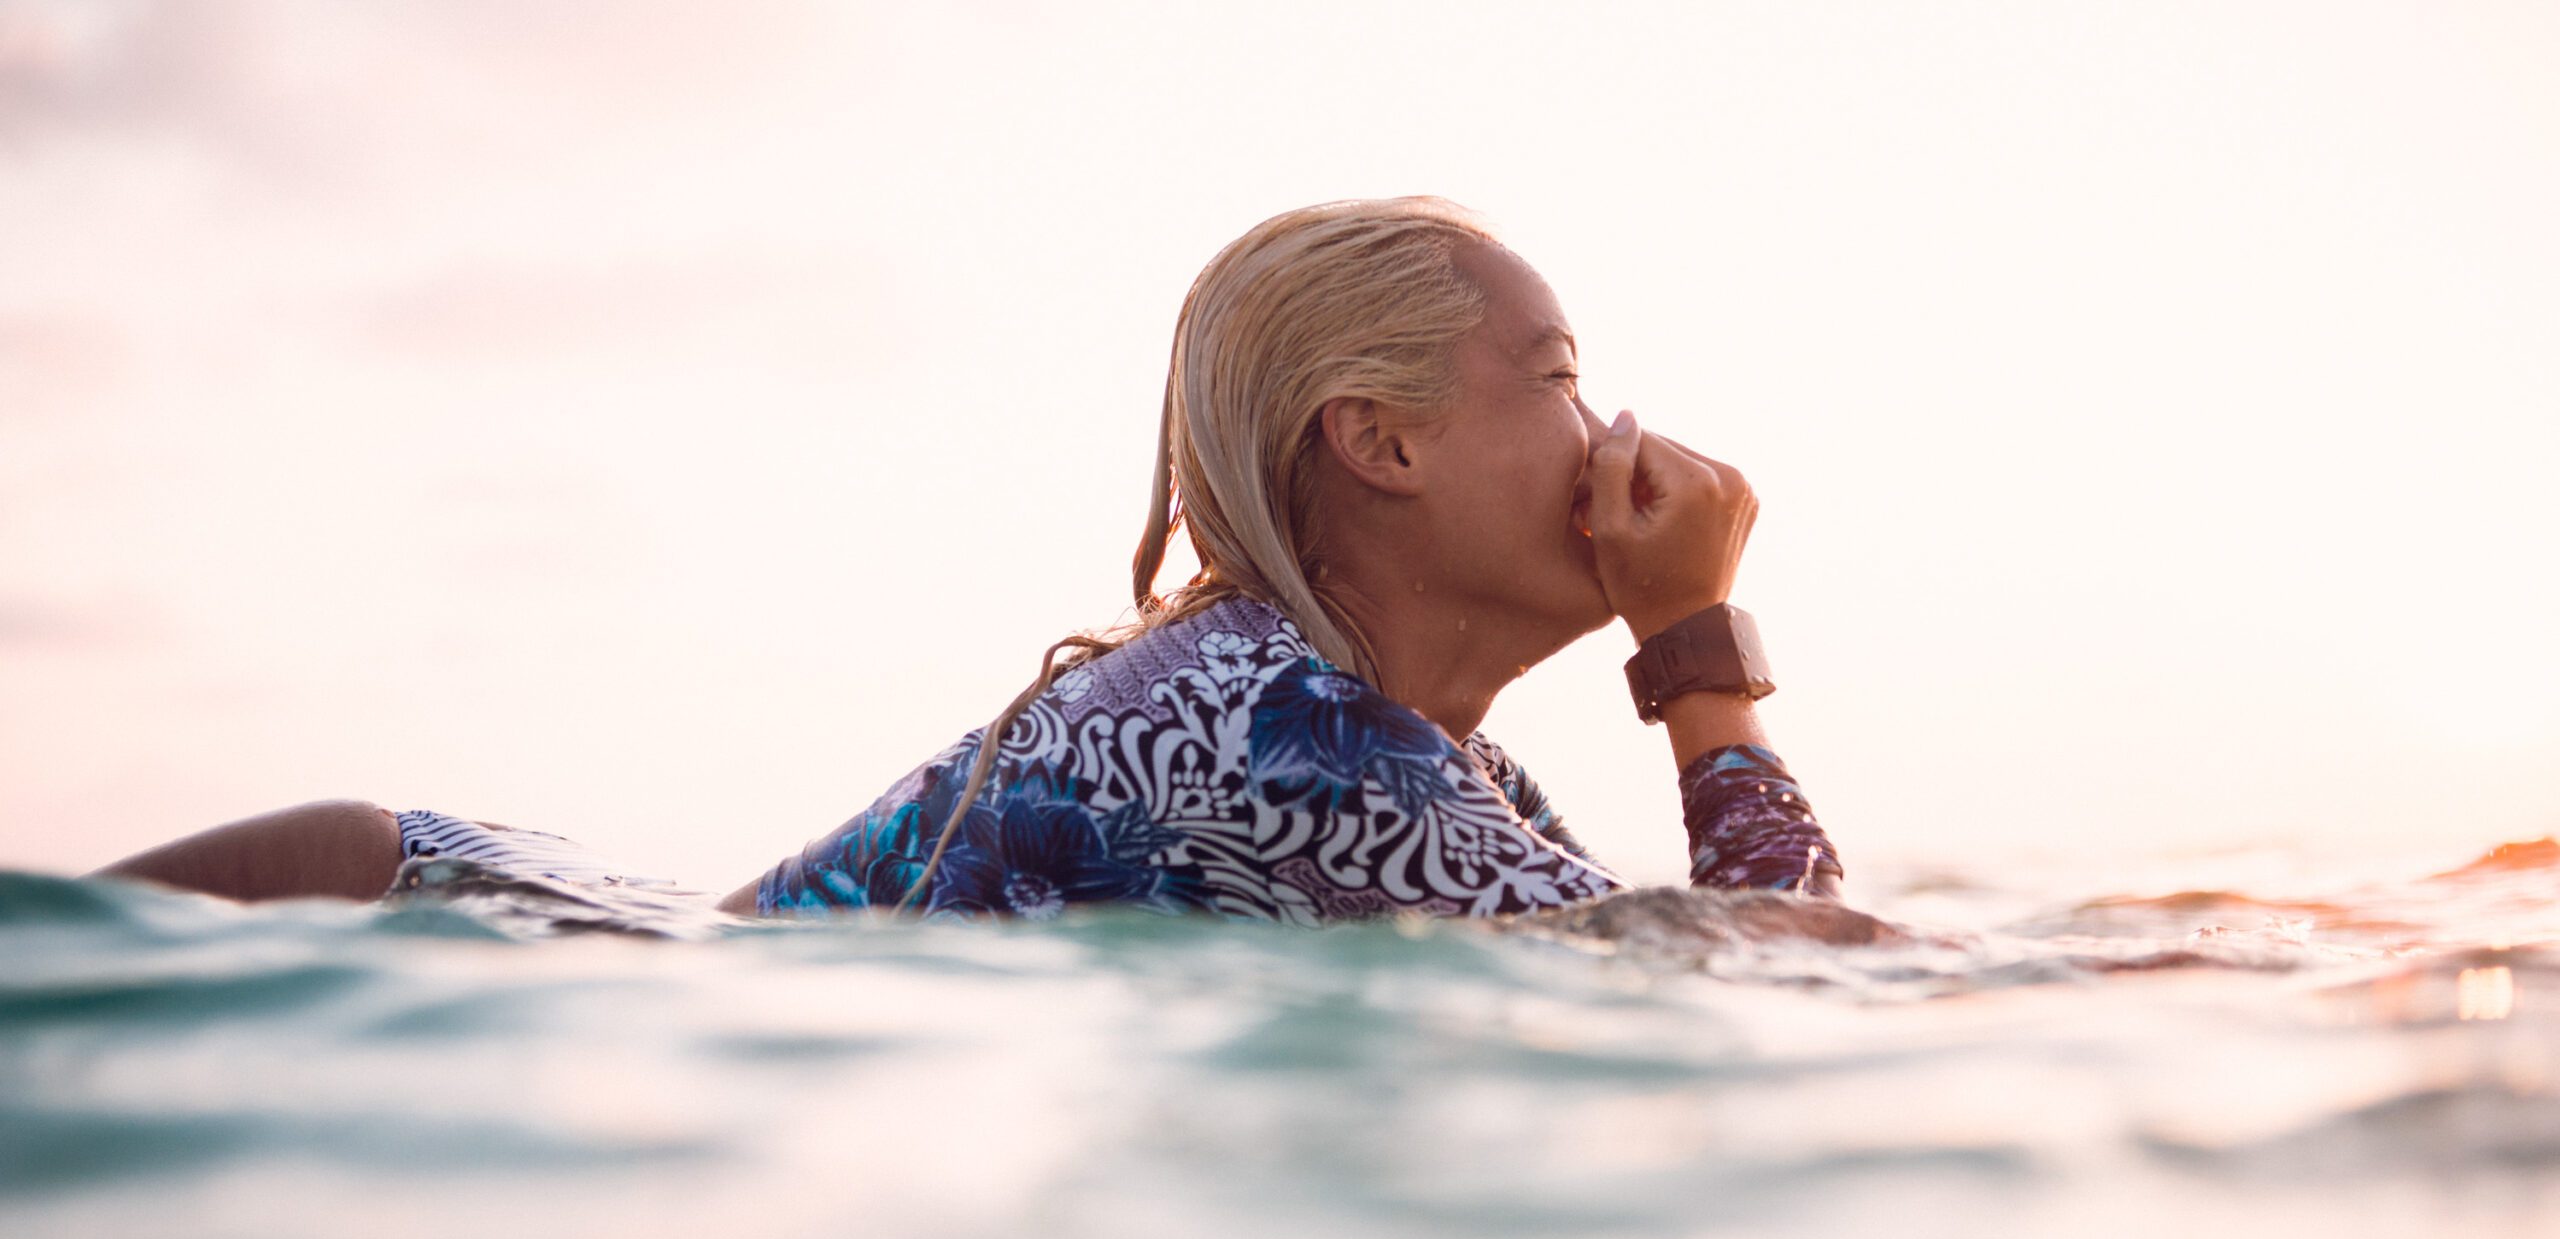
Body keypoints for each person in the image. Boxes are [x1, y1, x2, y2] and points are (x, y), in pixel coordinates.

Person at [96, 198, 1842, 921]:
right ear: (1376, 442)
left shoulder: (1397, 750)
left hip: (556, 957)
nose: (1615, 438)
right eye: (1553, 381)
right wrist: (1692, 629)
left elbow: (1704, 952)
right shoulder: (1282, 739)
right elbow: (1787, 982)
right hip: (468, 970)